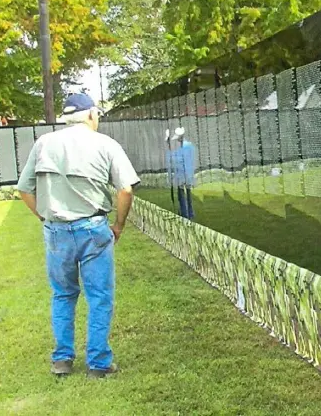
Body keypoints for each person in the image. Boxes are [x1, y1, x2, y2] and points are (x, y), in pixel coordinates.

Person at [16, 93, 140, 379]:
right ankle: (98, 363)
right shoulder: (105, 144)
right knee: (99, 297)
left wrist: (45, 217)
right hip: (94, 229)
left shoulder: (44, 143)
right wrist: (119, 225)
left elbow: (24, 189)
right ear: (91, 115)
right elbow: (126, 189)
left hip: (57, 231)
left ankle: (62, 360)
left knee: (63, 294)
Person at [166, 127, 196, 220]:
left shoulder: (185, 147)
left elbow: (180, 159)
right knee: (186, 194)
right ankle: (189, 213)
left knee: (182, 194)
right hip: (185, 173)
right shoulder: (186, 146)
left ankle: (186, 214)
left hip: (184, 174)